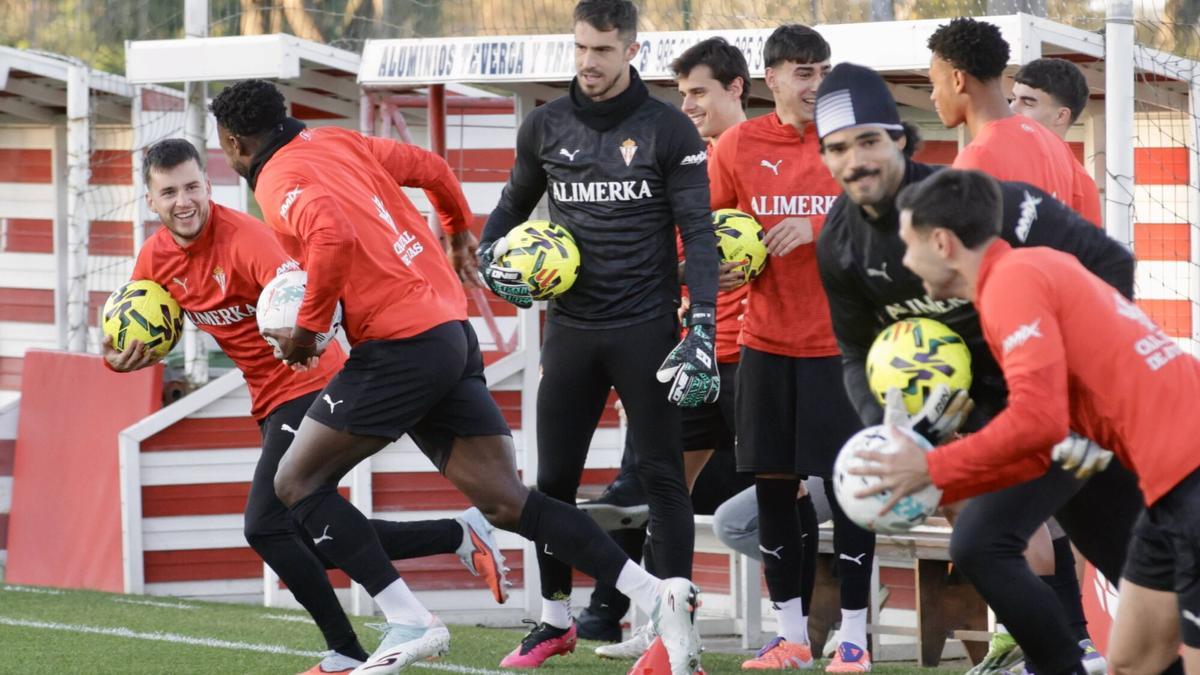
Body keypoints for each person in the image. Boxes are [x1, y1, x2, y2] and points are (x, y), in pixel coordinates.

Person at [209, 79, 701, 675]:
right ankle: (656, 595)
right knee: (506, 502)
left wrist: (310, 330)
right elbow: (431, 166)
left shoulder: (277, 179)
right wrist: (457, 228)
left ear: (233, 142)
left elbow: (333, 237)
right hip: (447, 329)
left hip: (397, 346)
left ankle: (408, 619)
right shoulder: (337, 141)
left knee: (295, 485)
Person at [104, 138, 510, 675]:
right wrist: (116, 357)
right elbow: (129, 324)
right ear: (151, 200)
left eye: (193, 187)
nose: (184, 201)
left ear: (209, 185)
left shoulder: (249, 241)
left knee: (264, 527)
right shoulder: (155, 258)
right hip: (268, 401)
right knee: (305, 542)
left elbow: (311, 293)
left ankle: (351, 648)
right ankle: (457, 534)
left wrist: (302, 330)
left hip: (312, 383)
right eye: (170, 191)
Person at [852, 166, 1200, 675]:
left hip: (1190, 477)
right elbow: (1047, 441)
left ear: (944, 243)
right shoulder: (1021, 273)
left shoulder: (1012, 283)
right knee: (1130, 662)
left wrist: (932, 467)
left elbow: (1038, 419)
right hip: (1168, 490)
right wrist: (942, 478)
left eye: (908, 244)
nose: (903, 260)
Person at [476, 1, 718, 672]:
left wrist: (701, 325)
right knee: (550, 481)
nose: (588, 62)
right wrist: (497, 267)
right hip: (572, 332)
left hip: (647, 329)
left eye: (603, 51)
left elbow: (698, 233)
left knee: (665, 479)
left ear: (632, 50)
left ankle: (671, 636)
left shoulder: (668, 129)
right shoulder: (545, 126)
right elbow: (501, 221)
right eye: (581, 47)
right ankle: (554, 620)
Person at [707, 24, 876, 672]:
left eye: (822, 70)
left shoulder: (850, 143)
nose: (815, 84)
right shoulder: (738, 145)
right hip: (765, 343)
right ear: (770, 77)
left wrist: (817, 225)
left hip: (843, 347)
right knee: (776, 491)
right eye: (802, 72)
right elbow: (710, 232)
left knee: (856, 491)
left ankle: (855, 639)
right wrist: (720, 265)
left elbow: (881, 222)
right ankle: (791, 638)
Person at [585, 34, 756, 658]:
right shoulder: (691, 156)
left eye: (699, 92)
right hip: (694, 350)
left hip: (754, 351)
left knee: (773, 486)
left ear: (736, 87)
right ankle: (648, 625)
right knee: (658, 487)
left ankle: (813, 633)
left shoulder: (751, 152)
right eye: (681, 94)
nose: (687, 105)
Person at [927, 18, 1096, 223]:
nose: (933, 95)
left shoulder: (979, 156)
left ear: (957, 80)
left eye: (934, 83)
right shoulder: (1057, 148)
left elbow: (962, 251)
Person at [1010, 57, 1102, 226]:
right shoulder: (999, 155)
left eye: (1028, 103)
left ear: (1061, 116)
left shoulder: (1081, 184)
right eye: (1013, 99)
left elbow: (1085, 251)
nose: (1012, 109)